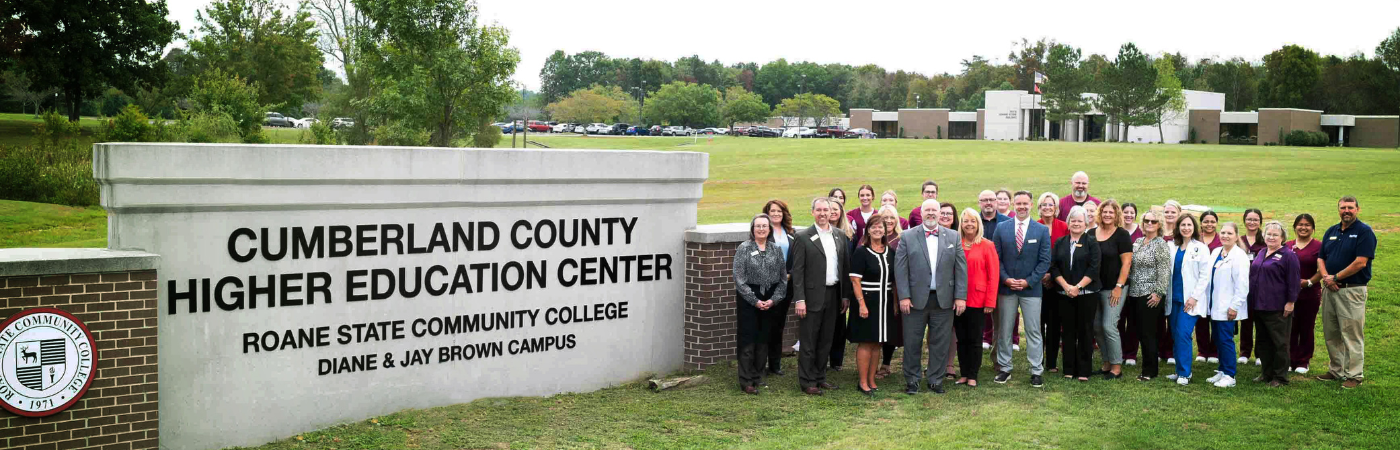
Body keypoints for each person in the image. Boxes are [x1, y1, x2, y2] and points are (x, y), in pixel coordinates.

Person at [894, 199, 968, 395]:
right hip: (914, 300)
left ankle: (936, 380)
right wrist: (904, 296)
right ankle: (912, 380)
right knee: (912, 342)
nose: (931, 214)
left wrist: (960, 296)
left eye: (935, 210)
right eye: (927, 210)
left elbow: (961, 268)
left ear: (939, 213)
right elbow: (900, 270)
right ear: (921, 212)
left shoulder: (953, 236)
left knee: (940, 342)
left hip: (944, 299)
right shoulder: (908, 236)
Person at [791, 197, 854, 395]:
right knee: (809, 340)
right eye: (818, 210)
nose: (823, 214)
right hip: (811, 297)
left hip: (834, 295)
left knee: (826, 339)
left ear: (831, 212)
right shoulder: (802, 237)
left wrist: (845, 296)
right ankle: (807, 380)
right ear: (813, 212)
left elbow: (844, 268)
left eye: (826, 210)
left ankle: (820, 377)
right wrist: (799, 299)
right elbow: (797, 272)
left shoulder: (839, 235)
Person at [991, 191, 1053, 387]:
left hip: (1031, 289)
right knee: (1005, 330)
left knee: (1034, 330)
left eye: (1025, 203)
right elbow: (996, 258)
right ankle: (1005, 368)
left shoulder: (1041, 230)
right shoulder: (1001, 228)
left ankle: (1036, 370)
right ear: (1013, 204)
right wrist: (1006, 279)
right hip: (1007, 289)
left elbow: (1044, 261)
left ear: (1031, 205)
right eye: (1018, 203)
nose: (1022, 207)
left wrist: (1029, 281)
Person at [1317, 196, 1375, 389]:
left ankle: (1354, 375)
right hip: (1330, 289)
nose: (1346, 211)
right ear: (1338, 210)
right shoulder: (1332, 231)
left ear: (1357, 209)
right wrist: (1327, 278)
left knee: (1351, 333)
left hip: (1351, 291)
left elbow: (1361, 262)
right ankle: (1336, 370)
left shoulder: (1364, 232)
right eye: (1343, 208)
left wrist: (1336, 277)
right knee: (1331, 332)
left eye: (1350, 207)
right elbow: (1321, 258)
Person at [733, 214, 789, 394]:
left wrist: (774, 300)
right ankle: (746, 380)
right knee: (748, 339)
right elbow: (739, 279)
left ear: (769, 229)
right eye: (758, 226)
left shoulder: (776, 249)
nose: (762, 229)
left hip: (770, 298)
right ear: (752, 229)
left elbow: (782, 279)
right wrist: (755, 301)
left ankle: (758, 376)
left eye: (765, 226)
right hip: (749, 299)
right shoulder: (744, 248)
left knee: (763, 339)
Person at [847, 216, 899, 395]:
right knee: (866, 342)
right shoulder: (862, 252)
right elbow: (855, 280)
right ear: (868, 230)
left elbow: (893, 280)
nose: (878, 230)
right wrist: (861, 304)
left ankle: (871, 379)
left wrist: (895, 303)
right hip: (867, 302)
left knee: (878, 342)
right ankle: (862, 382)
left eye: (881, 227)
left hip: (885, 302)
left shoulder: (890, 252)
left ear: (885, 230)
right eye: (874, 227)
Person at [1051, 206, 1100, 382]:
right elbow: (1054, 266)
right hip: (1065, 294)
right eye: (1073, 220)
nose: (1076, 224)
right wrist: (1066, 286)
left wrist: (1077, 287)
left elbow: (1094, 268)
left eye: (1080, 221)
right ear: (1068, 222)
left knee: (1085, 330)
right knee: (1068, 331)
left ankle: (1084, 370)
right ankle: (1069, 368)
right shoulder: (1060, 242)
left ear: (1086, 223)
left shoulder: (1092, 242)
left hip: (1086, 293)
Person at [1249, 221, 1300, 387]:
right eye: (1268, 234)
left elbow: (1293, 281)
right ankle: (1266, 372)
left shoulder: (1288, 256)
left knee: (1279, 342)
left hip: (1278, 307)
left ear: (1283, 237)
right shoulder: (1262, 252)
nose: (1271, 237)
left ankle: (1280, 377)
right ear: (1263, 235)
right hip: (1259, 305)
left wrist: (1291, 302)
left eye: (1275, 235)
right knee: (1263, 342)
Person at [1165, 214, 1211, 385]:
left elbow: (1205, 276)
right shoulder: (1172, 246)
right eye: (1183, 225)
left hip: (1190, 301)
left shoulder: (1200, 248)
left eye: (1189, 225)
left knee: (1183, 334)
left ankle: (1186, 373)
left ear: (1194, 228)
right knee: (1175, 335)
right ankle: (1179, 370)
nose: (1186, 228)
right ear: (1178, 227)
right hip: (1174, 298)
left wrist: (1194, 297)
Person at [956, 207, 1000, 387]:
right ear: (961, 224)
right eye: (966, 221)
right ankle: (964, 373)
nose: (969, 224)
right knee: (961, 338)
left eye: (973, 221)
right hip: (957, 299)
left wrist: (990, 301)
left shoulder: (987, 245)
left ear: (978, 224)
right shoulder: (955, 242)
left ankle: (973, 374)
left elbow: (993, 275)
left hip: (978, 300)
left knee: (975, 338)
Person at [1203, 222, 1250, 388]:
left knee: (1225, 339)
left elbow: (1243, 285)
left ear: (1237, 236)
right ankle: (1222, 370)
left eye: (1229, 233)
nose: (1225, 236)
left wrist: (1234, 306)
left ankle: (1230, 375)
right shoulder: (1216, 251)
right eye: (1222, 232)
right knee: (1217, 338)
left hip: (1228, 306)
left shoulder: (1240, 256)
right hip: (1215, 305)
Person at [1091, 199, 1134, 380]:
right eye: (1104, 212)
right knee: (1096, 327)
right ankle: (1106, 362)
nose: (1107, 215)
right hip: (1094, 288)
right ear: (1099, 214)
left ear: (1117, 215)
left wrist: (1118, 287)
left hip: (1114, 288)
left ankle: (1117, 366)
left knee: (1109, 325)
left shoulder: (1122, 235)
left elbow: (1127, 263)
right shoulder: (1091, 233)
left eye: (1111, 212)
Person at [1127, 210, 1170, 381]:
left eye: (1153, 221)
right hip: (1135, 293)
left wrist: (1158, 293)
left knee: (1148, 333)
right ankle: (1147, 365)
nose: (1149, 224)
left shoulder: (1160, 244)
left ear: (1159, 224)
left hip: (1151, 295)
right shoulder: (1138, 242)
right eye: (1146, 221)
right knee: (1140, 331)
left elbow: (1165, 271)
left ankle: (1150, 371)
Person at [762, 200, 797, 376]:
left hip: (786, 285)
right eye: (772, 211)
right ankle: (760, 363)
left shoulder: (791, 233)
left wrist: (789, 274)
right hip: (768, 286)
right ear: (767, 213)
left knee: (778, 325)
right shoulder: (762, 232)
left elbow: (795, 258)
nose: (776, 214)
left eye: (779, 211)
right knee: (765, 324)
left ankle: (775, 364)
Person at [1286, 214, 1324, 374]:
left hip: (1310, 294)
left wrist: (1309, 282)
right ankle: (1290, 359)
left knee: (1306, 327)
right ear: (1295, 227)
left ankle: (1303, 360)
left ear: (1313, 228)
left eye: (1307, 225)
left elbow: (1322, 269)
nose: (1303, 227)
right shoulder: (1287, 246)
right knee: (1290, 328)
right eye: (1300, 224)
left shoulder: (1319, 246)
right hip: (1289, 295)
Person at [1036, 192, 1069, 373]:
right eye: (1044, 205)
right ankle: (1038, 359)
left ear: (1056, 208)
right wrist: (1042, 275)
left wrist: (1052, 276)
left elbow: (1066, 255)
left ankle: (1052, 363)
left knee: (1055, 323)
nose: (1047, 208)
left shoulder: (1064, 227)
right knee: (1038, 323)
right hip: (1037, 283)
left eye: (1051, 205)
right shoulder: (1034, 226)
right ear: (1039, 208)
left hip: (1058, 282)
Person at [875, 207, 906, 380]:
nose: (888, 220)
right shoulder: (873, 238)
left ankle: (886, 363)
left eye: (891, 217)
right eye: (884, 217)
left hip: (895, 290)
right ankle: (872, 362)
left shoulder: (902, 239)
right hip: (876, 289)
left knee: (891, 327)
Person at [1236, 208, 1266, 366]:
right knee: (1246, 320)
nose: (1252, 222)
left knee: (1260, 320)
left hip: (1261, 287)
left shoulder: (1265, 240)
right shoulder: (1239, 240)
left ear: (1260, 222)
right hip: (1243, 286)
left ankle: (1260, 354)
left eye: (1255, 219)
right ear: (1244, 221)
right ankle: (1244, 352)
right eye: (1249, 219)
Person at [828, 194, 854, 371]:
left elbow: (848, 266)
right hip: (823, 285)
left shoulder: (847, 236)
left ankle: (836, 360)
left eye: (836, 210)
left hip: (841, 286)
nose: (832, 213)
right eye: (830, 210)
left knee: (839, 324)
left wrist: (847, 293)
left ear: (841, 212)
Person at [1192, 210, 1222, 364]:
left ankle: (1214, 351)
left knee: (1216, 317)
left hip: (1217, 286)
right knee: (1201, 318)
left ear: (1216, 223)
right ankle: (1203, 350)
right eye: (1206, 221)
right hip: (1199, 285)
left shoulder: (1222, 240)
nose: (1209, 224)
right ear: (1201, 223)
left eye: (1212, 221)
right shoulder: (1195, 239)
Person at [1118, 202, 1141, 365]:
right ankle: (1118, 351)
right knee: (1118, 318)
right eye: (1125, 212)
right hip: (1118, 280)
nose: (1128, 215)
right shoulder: (1116, 230)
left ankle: (1131, 354)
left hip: (1136, 281)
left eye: (1131, 212)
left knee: (1133, 318)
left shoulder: (1141, 231)